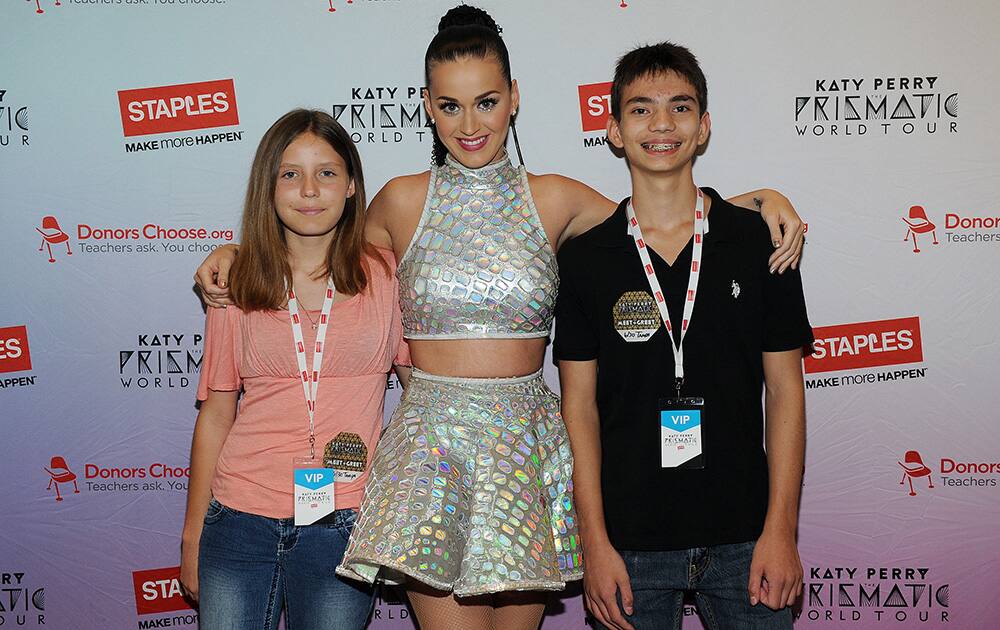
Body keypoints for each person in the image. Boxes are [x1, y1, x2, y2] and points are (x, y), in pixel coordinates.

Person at [193, 7, 805, 629]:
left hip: (526, 448)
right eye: (450, 106)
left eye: (486, 102)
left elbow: (660, 218)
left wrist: (755, 203)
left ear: (514, 98)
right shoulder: (401, 202)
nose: (470, 124)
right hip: (431, 454)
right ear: (427, 106)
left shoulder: (557, 198)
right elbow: (320, 247)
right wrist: (238, 254)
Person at [554, 42, 812, 630]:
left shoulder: (760, 243)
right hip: (630, 546)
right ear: (614, 129)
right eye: (641, 109)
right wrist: (593, 543)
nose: (662, 124)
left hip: (748, 538)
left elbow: (787, 394)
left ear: (704, 127)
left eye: (680, 107)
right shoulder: (587, 260)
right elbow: (579, 410)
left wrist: (781, 530)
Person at [179, 109, 411, 630]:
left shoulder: (388, 277)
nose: (309, 190)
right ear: (270, 185)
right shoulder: (234, 281)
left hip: (344, 520)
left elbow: (422, 394)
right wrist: (192, 533)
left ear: (352, 185)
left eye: (326, 172)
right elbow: (216, 414)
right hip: (238, 520)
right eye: (290, 174)